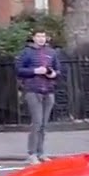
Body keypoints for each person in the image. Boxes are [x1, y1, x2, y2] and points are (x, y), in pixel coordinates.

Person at [14, 30, 61, 164]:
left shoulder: (51, 53)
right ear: (33, 38)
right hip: (33, 90)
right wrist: (35, 71)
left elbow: (58, 70)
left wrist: (52, 74)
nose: (41, 39)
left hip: (48, 90)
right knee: (37, 123)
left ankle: (41, 153)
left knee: (44, 124)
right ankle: (32, 153)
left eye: (43, 36)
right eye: (38, 36)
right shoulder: (27, 52)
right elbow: (18, 70)